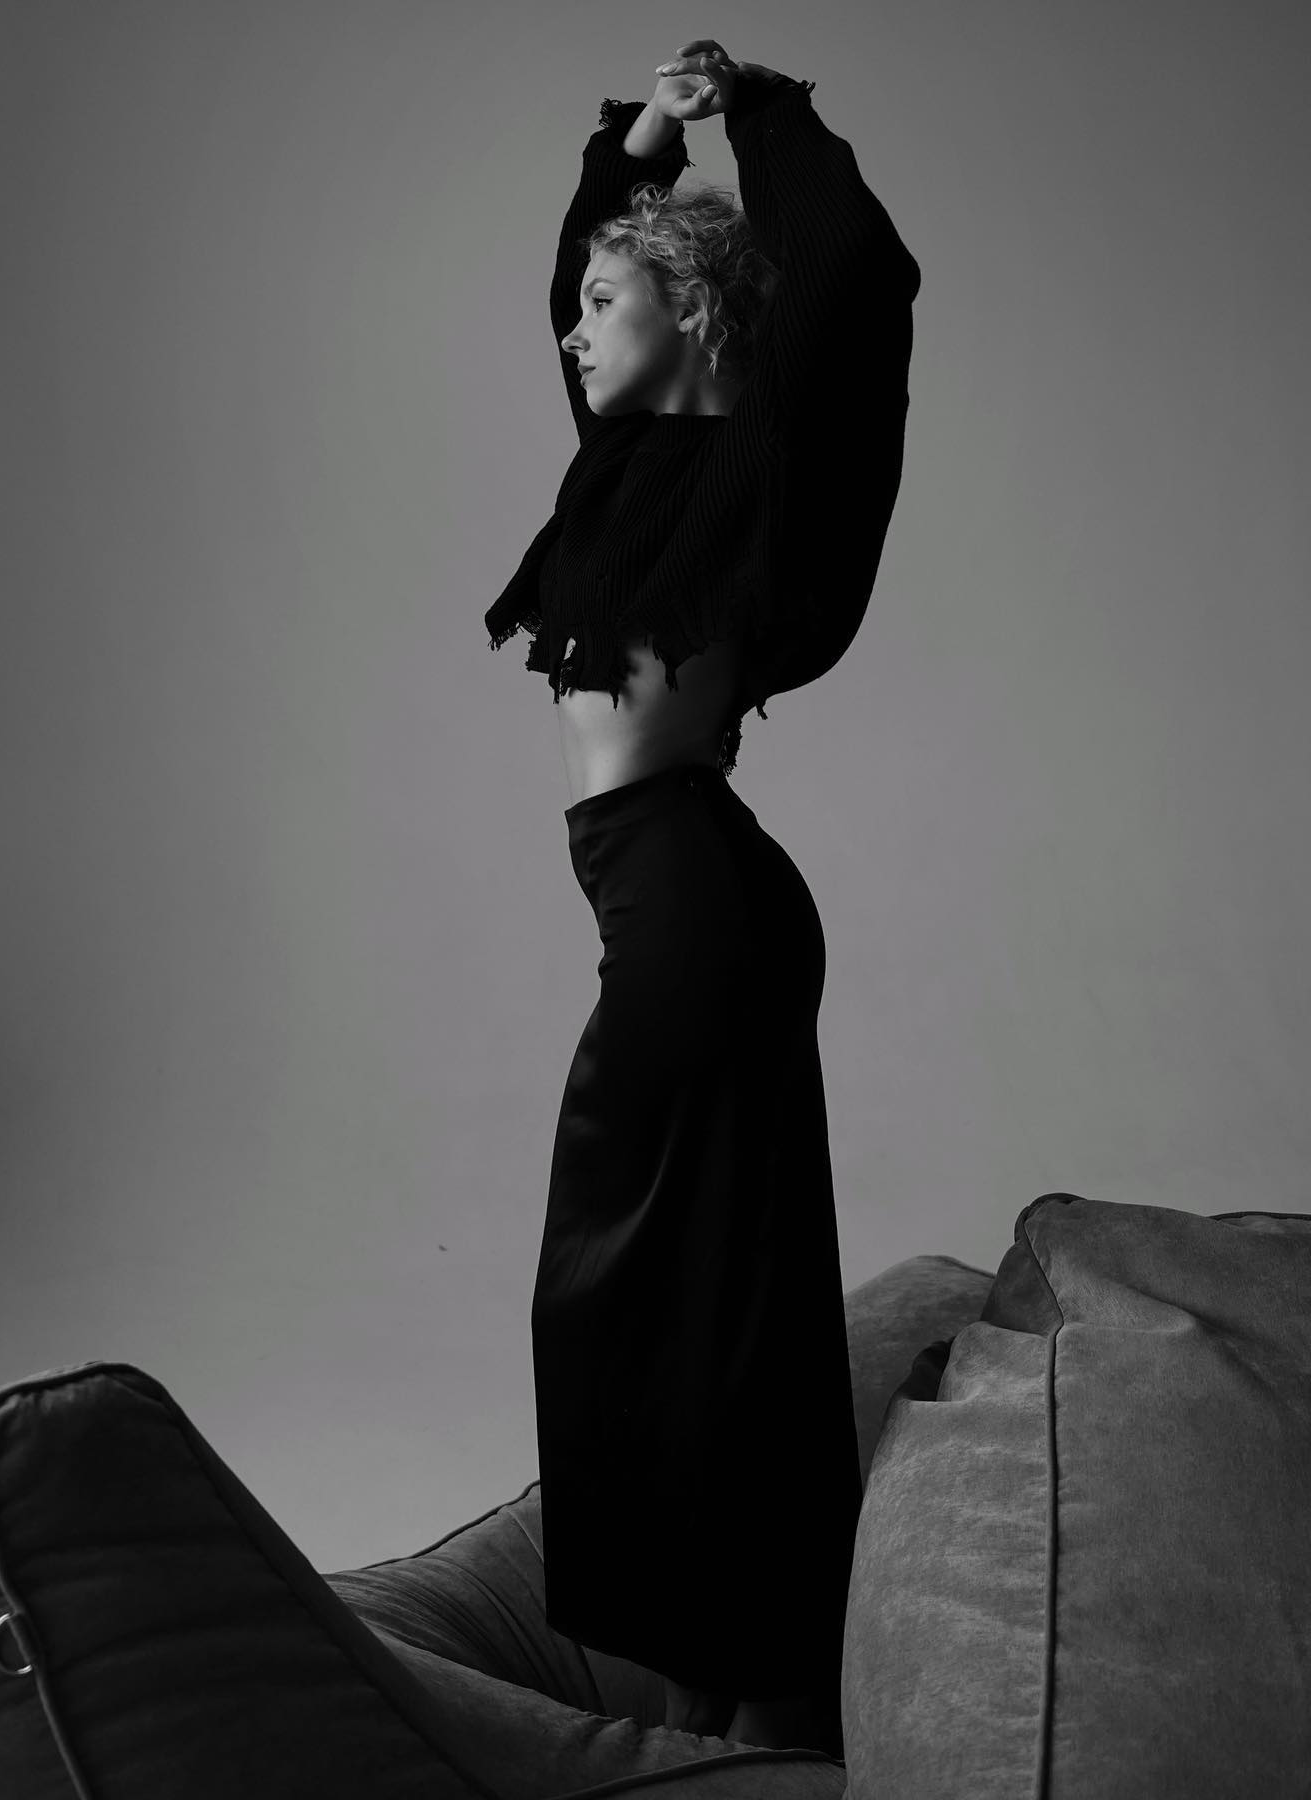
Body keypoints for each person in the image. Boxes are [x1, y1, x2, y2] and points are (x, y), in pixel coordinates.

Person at [484, 37, 920, 1760]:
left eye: (614, 302)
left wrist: (761, 109)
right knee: (702, 1298)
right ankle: (731, 1689)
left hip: (695, 906)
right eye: (586, 304)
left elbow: (855, 278)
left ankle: (745, 1689)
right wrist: (641, 143)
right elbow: (575, 288)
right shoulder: (622, 467)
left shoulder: (761, 467)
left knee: (654, 1298)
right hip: (673, 900)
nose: (578, 329)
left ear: (699, 317)